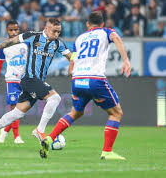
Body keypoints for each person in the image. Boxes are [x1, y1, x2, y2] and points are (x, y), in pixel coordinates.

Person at [39, 11, 131, 160]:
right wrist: (126, 60)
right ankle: (107, 152)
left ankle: (49, 138)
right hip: (95, 79)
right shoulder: (106, 32)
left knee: (75, 113)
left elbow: (73, 56)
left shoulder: (80, 38)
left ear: (87, 24)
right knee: (116, 113)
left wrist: (71, 68)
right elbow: (116, 37)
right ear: (102, 24)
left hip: (78, 79)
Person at [0, 18, 72, 149]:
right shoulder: (32, 36)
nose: (57, 35)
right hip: (29, 79)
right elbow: (10, 42)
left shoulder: (58, 44)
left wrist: (77, 63)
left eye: (59, 32)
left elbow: (71, 56)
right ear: (46, 29)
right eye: (54, 31)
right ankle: (40, 130)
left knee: (17, 113)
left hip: (37, 81)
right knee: (55, 98)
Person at [0, 20, 26, 144]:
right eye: (11, 30)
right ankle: (16, 136)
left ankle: (5, 130)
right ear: (7, 31)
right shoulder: (4, 46)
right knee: (14, 109)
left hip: (25, 79)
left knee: (21, 110)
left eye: (16, 29)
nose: (13, 32)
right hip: (12, 79)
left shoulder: (26, 43)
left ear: (19, 30)